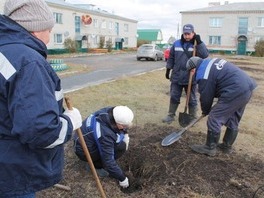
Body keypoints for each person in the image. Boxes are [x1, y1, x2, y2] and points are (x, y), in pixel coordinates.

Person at [0, 0, 82, 197]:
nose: (48, 38)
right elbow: (41, 132)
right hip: (12, 174)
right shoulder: (28, 62)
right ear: (35, 28)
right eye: (48, 30)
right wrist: (70, 122)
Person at [186, 57, 257, 156]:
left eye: (190, 72)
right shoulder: (209, 63)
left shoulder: (203, 73)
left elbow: (206, 95)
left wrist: (205, 111)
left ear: (193, 69)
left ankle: (209, 147)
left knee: (214, 117)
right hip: (247, 87)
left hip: (235, 89)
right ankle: (226, 146)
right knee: (233, 117)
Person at [74, 106, 134, 189]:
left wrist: (125, 134)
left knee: (120, 144)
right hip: (83, 150)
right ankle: (96, 166)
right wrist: (122, 178)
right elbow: (108, 161)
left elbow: (121, 128)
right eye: (124, 126)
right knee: (120, 148)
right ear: (118, 124)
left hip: (86, 139)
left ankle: (97, 161)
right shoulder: (105, 134)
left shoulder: (112, 111)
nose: (125, 128)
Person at [162, 24, 209, 124]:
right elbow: (171, 57)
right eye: (185, 34)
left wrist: (199, 42)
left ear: (193, 33)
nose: (187, 36)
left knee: (192, 98)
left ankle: (192, 117)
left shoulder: (197, 44)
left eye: (189, 34)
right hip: (177, 76)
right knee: (174, 96)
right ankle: (171, 115)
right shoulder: (176, 44)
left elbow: (205, 55)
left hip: (191, 77)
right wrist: (168, 69)